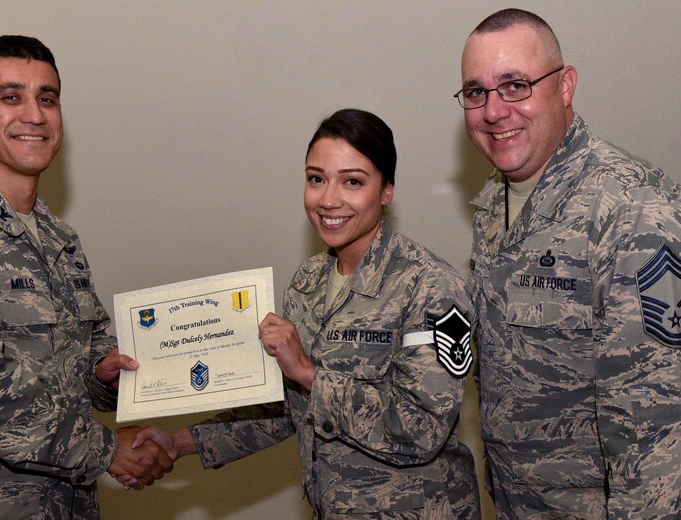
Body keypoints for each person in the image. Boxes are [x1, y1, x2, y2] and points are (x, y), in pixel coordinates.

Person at [128, 109, 480, 518]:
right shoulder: (307, 283)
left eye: (352, 181)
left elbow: (422, 428)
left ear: (386, 191)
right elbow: (288, 409)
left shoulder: (431, 286)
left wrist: (309, 374)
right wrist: (182, 443)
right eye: (316, 179)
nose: (328, 199)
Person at [0, 35, 171, 519]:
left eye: (47, 98)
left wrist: (106, 373)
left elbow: (85, 363)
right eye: (11, 97)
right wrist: (106, 451)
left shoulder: (59, 238)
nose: (35, 114)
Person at [455, 8, 681, 519]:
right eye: (476, 92)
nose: (493, 111)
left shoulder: (632, 211)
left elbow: (660, 431)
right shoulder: (494, 209)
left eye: (515, 85)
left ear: (565, 86)